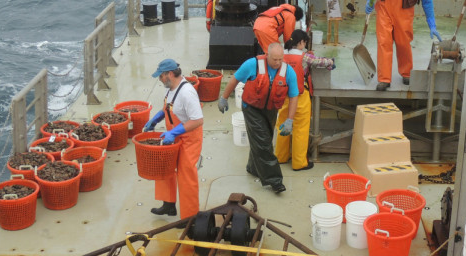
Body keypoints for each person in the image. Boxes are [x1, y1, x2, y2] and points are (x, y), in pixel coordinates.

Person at [217, 43, 300, 193]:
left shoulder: (288, 72)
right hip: (252, 108)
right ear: (267, 55)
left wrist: (290, 120)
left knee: (264, 139)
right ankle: (274, 180)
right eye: (274, 59)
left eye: (280, 59)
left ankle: (253, 167)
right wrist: (223, 98)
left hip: (271, 110)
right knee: (263, 143)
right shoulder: (252, 64)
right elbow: (234, 80)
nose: (278, 63)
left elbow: (294, 96)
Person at [366, 0, 441, 91]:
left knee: (403, 42)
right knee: (384, 42)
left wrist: (431, 23)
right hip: (385, 7)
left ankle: (406, 73)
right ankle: (384, 79)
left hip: (404, 11)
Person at [142, 58, 204, 218]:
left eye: (161, 76)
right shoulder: (170, 88)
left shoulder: (187, 93)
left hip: (189, 139)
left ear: (170, 74)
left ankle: (190, 217)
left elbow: (197, 120)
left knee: (186, 176)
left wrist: (173, 133)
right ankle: (168, 205)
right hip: (174, 136)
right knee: (164, 167)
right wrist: (155, 119)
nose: (159, 79)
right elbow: (168, 108)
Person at [275, 30, 335, 171]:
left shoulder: (281, 54)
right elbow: (319, 62)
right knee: (300, 129)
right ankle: (299, 162)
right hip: (300, 97)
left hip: (283, 96)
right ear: (301, 42)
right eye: (304, 43)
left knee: (282, 125)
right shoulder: (305, 57)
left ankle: (280, 156)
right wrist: (331, 62)